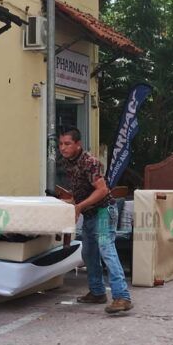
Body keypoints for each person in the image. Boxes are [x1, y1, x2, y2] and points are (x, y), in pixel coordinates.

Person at [57, 127, 132, 314]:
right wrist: (69, 203)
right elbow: (81, 190)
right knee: (89, 254)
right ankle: (97, 292)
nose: (63, 148)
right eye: (60, 144)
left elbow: (102, 190)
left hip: (104, 212)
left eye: (67, 144)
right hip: (90, 214)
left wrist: (79, 206)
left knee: (107, 251)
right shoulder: (69, 162)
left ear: (78, 144)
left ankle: (122, 297)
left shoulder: (89, 162)